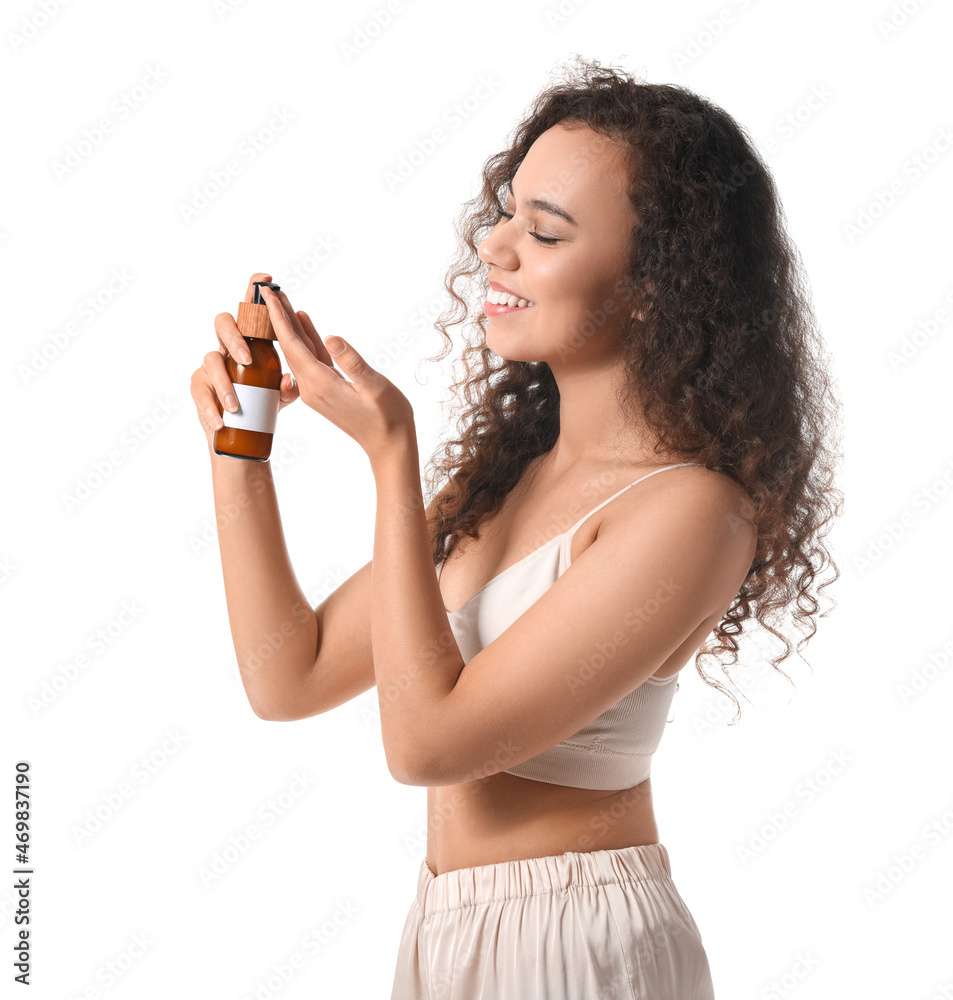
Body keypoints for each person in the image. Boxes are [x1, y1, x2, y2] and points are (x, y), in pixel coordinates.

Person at [190, 55, 843, 1000]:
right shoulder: (505, 483)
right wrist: (239, 450)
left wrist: (388, 454)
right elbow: (286, 675)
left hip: (578, 945)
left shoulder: (692, 511)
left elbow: (426, 745)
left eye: (543, 231)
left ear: (657, 283)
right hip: (445, 927)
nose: (494, 247)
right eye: (506, 211)